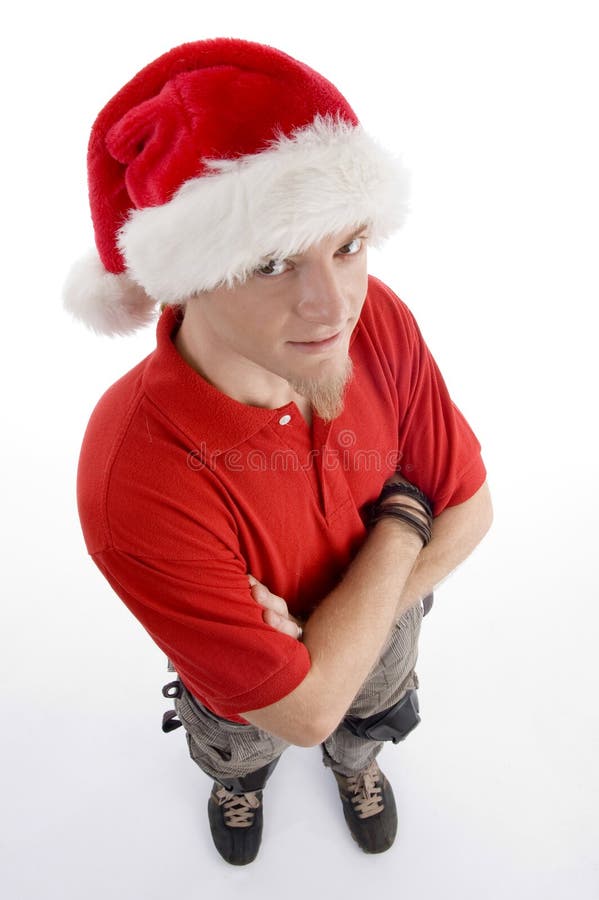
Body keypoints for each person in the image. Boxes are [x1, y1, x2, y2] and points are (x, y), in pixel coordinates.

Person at [64, 37, 493, 866]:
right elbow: (296, 712)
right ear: (186, 275)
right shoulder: (132, 473)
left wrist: (315, 652)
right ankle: (236, 780)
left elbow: (473, 511)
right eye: (271, 262)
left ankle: (357, 765)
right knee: (243, 738)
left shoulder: (377, 322)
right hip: (241, 697)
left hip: (388, 633)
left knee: (364, 714)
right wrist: (407, 518)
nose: (332, 304)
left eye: (347, 244)